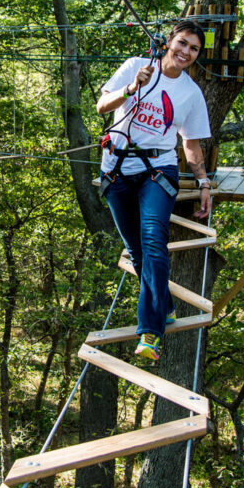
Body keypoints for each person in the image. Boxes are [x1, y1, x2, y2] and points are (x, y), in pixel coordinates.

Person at [97, 20, 213, 362]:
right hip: (116, 168)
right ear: (167, 43)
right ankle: (166, 305)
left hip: (157, 170)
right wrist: (132, 88)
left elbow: (190, 144)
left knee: (153, 242)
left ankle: (150, 332)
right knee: (137, 251)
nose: (186, 52)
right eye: (182, 43)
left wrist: (203, 182)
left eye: (193, 48)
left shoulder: (191, 94)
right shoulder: (136, 67)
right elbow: (103, 106)